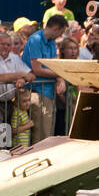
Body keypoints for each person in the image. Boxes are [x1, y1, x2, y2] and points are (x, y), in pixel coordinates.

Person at [20, 14, 67, 142]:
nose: (61, 36)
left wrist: (60, 79)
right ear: (56, 28)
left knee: (48, 132)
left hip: (48, 92)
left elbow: (54, 66)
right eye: (61, 32)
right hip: (37, 92)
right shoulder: (35, 40)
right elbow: (37, 69)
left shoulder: (51, 43)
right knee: (40, 134)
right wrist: (60, 75)